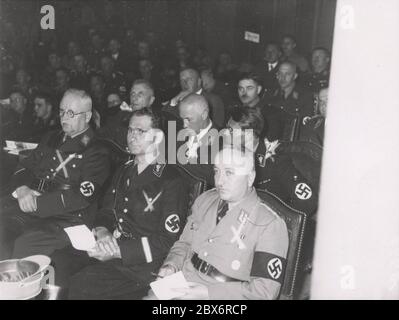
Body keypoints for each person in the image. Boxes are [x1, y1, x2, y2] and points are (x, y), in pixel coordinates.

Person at [52, 108, 189, 299]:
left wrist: (119, 252)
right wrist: (103, 232)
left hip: (140, 266)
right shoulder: (124, 170)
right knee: (58, 262)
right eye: (130, 130)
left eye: (140, 131)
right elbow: (106, 211)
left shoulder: (170, 180)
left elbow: (167, 241)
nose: (132, 136)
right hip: (111, 249)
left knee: (81, 285)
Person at [146, 146, 289, 300]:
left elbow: (264, 293)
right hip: (185, 280)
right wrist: (171, 265)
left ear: (250, 177)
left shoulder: (269, 223)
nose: (220, 181)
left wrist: (208, 294)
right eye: (216, 171)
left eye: (229, 172)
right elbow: (185, 243)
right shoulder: (205, 200)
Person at [0, 89, 111, 259]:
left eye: (71, 113)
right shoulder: (51, 137)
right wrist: (22, 190)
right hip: (30, 202)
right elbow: (24, 167)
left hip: (66, 217)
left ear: (87, 117)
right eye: (61, 111)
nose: (64, 117)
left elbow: (82, 196)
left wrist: (37, 203)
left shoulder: (97, 149)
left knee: (26, 243)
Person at [225, 106, 318, 215]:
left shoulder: (275, 162)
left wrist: (276, 222)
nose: (225, 133)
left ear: (249, 134)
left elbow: (309, 202)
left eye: (231, 130)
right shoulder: (232, 155)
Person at [175, 93, 220, 187]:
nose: (184, 125)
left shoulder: (222, 141)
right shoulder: (180, 133)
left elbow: (211, 178)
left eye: (188, 119)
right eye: (182, 119)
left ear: (204, 115)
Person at [265, 62, 314, 140]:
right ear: (277, 75)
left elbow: (305, 125)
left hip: (293, 140)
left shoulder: (305, 96)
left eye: (287, 74)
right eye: (280, 74)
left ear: (295, 76)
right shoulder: (269, 94)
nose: (282, 78)